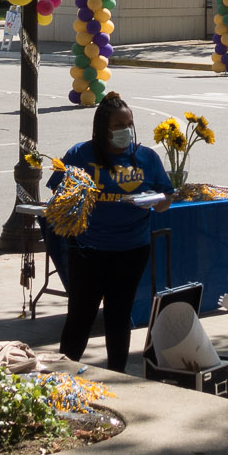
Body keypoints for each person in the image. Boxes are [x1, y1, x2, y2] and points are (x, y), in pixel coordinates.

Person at [51, 93, 174, 371]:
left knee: (119, 316)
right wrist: (75, 197)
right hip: (88, 250)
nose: (126, 130)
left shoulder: (146, 157)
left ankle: (118, 374)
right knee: (81, 315)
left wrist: (156, 201)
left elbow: (167, 197)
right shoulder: (80, 154)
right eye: (119, 125)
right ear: (103, 127)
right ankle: (62, 375)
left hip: (132, 249)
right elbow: (58, 193)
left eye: (129, 124)